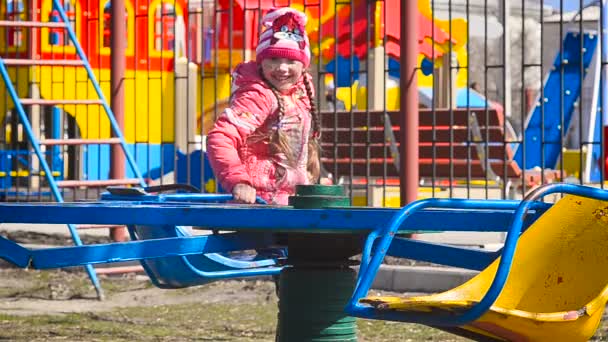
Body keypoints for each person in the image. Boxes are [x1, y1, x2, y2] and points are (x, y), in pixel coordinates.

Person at [207, 7, 321, 205]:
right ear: (261, 61)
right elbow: (221, 136)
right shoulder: (259, 95)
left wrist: (309, 176)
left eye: (291, 60)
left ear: (304, 65)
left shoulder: (300, 92)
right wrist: (239, 181)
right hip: (261, 202)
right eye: (273, 59)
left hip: (287, 198)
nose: (282, 68)